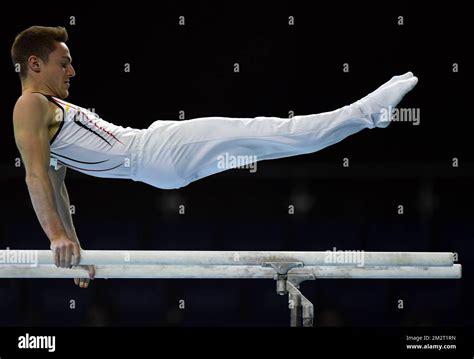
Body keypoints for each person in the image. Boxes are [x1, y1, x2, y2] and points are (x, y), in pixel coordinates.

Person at [10, 26, 418, 288]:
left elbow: (57, 183)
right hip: (157, 150)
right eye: (63, 63)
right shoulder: (30, 106)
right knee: (267, 131)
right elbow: (36, 177)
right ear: (34, 63)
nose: (72, 71)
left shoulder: (46, 109)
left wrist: (75, 247)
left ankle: (366, 117)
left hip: (160, 165)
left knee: (269, 141)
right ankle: (366, 114)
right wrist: (58, 238)